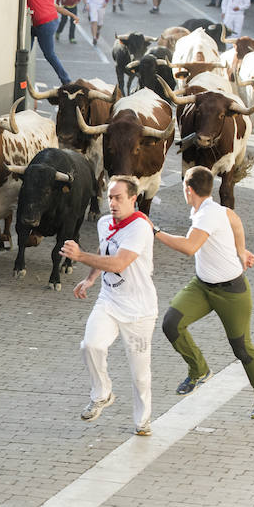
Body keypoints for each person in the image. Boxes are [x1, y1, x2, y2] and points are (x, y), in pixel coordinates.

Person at [152, 166, 254, 419]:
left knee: (242, 348)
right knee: (171, 323)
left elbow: (189, 247)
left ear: (188, 189)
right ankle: (199, 370)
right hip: (202, 287)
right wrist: (241, 250)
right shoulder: (214, 210)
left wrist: (156, 232)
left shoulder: (207, 215)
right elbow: (235, 219)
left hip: (232, 292)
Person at [60, 176, 157, 436]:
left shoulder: (139, 228)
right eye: (110, 197)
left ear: (133, 199)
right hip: (109, 300)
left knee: (139, 374)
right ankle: (102, 393)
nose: (112, 203)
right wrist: (90, 279)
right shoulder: (104, 223)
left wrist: (80, 256)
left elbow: (118, 263)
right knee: (90, 345)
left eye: (118, 198)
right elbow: (105, 253)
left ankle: (142, 421)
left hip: (139, 311)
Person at [28, 0, 80, 84]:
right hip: (53, 21)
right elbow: (57, 7)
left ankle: (66, 80)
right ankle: (25, 58)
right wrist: (73, 15)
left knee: (49, 54)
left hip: (44, 24)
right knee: (32, 32)